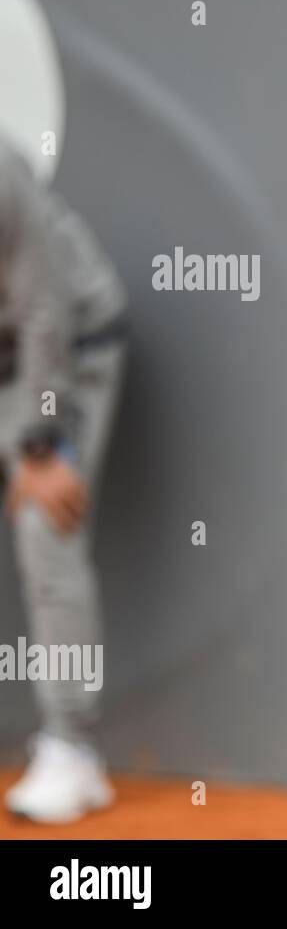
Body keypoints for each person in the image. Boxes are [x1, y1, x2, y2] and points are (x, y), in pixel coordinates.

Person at [0, 134, 128, 824]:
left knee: (44, 523)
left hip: (63, 354)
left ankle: (73, 752)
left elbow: (44, 310)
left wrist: (37, 445)